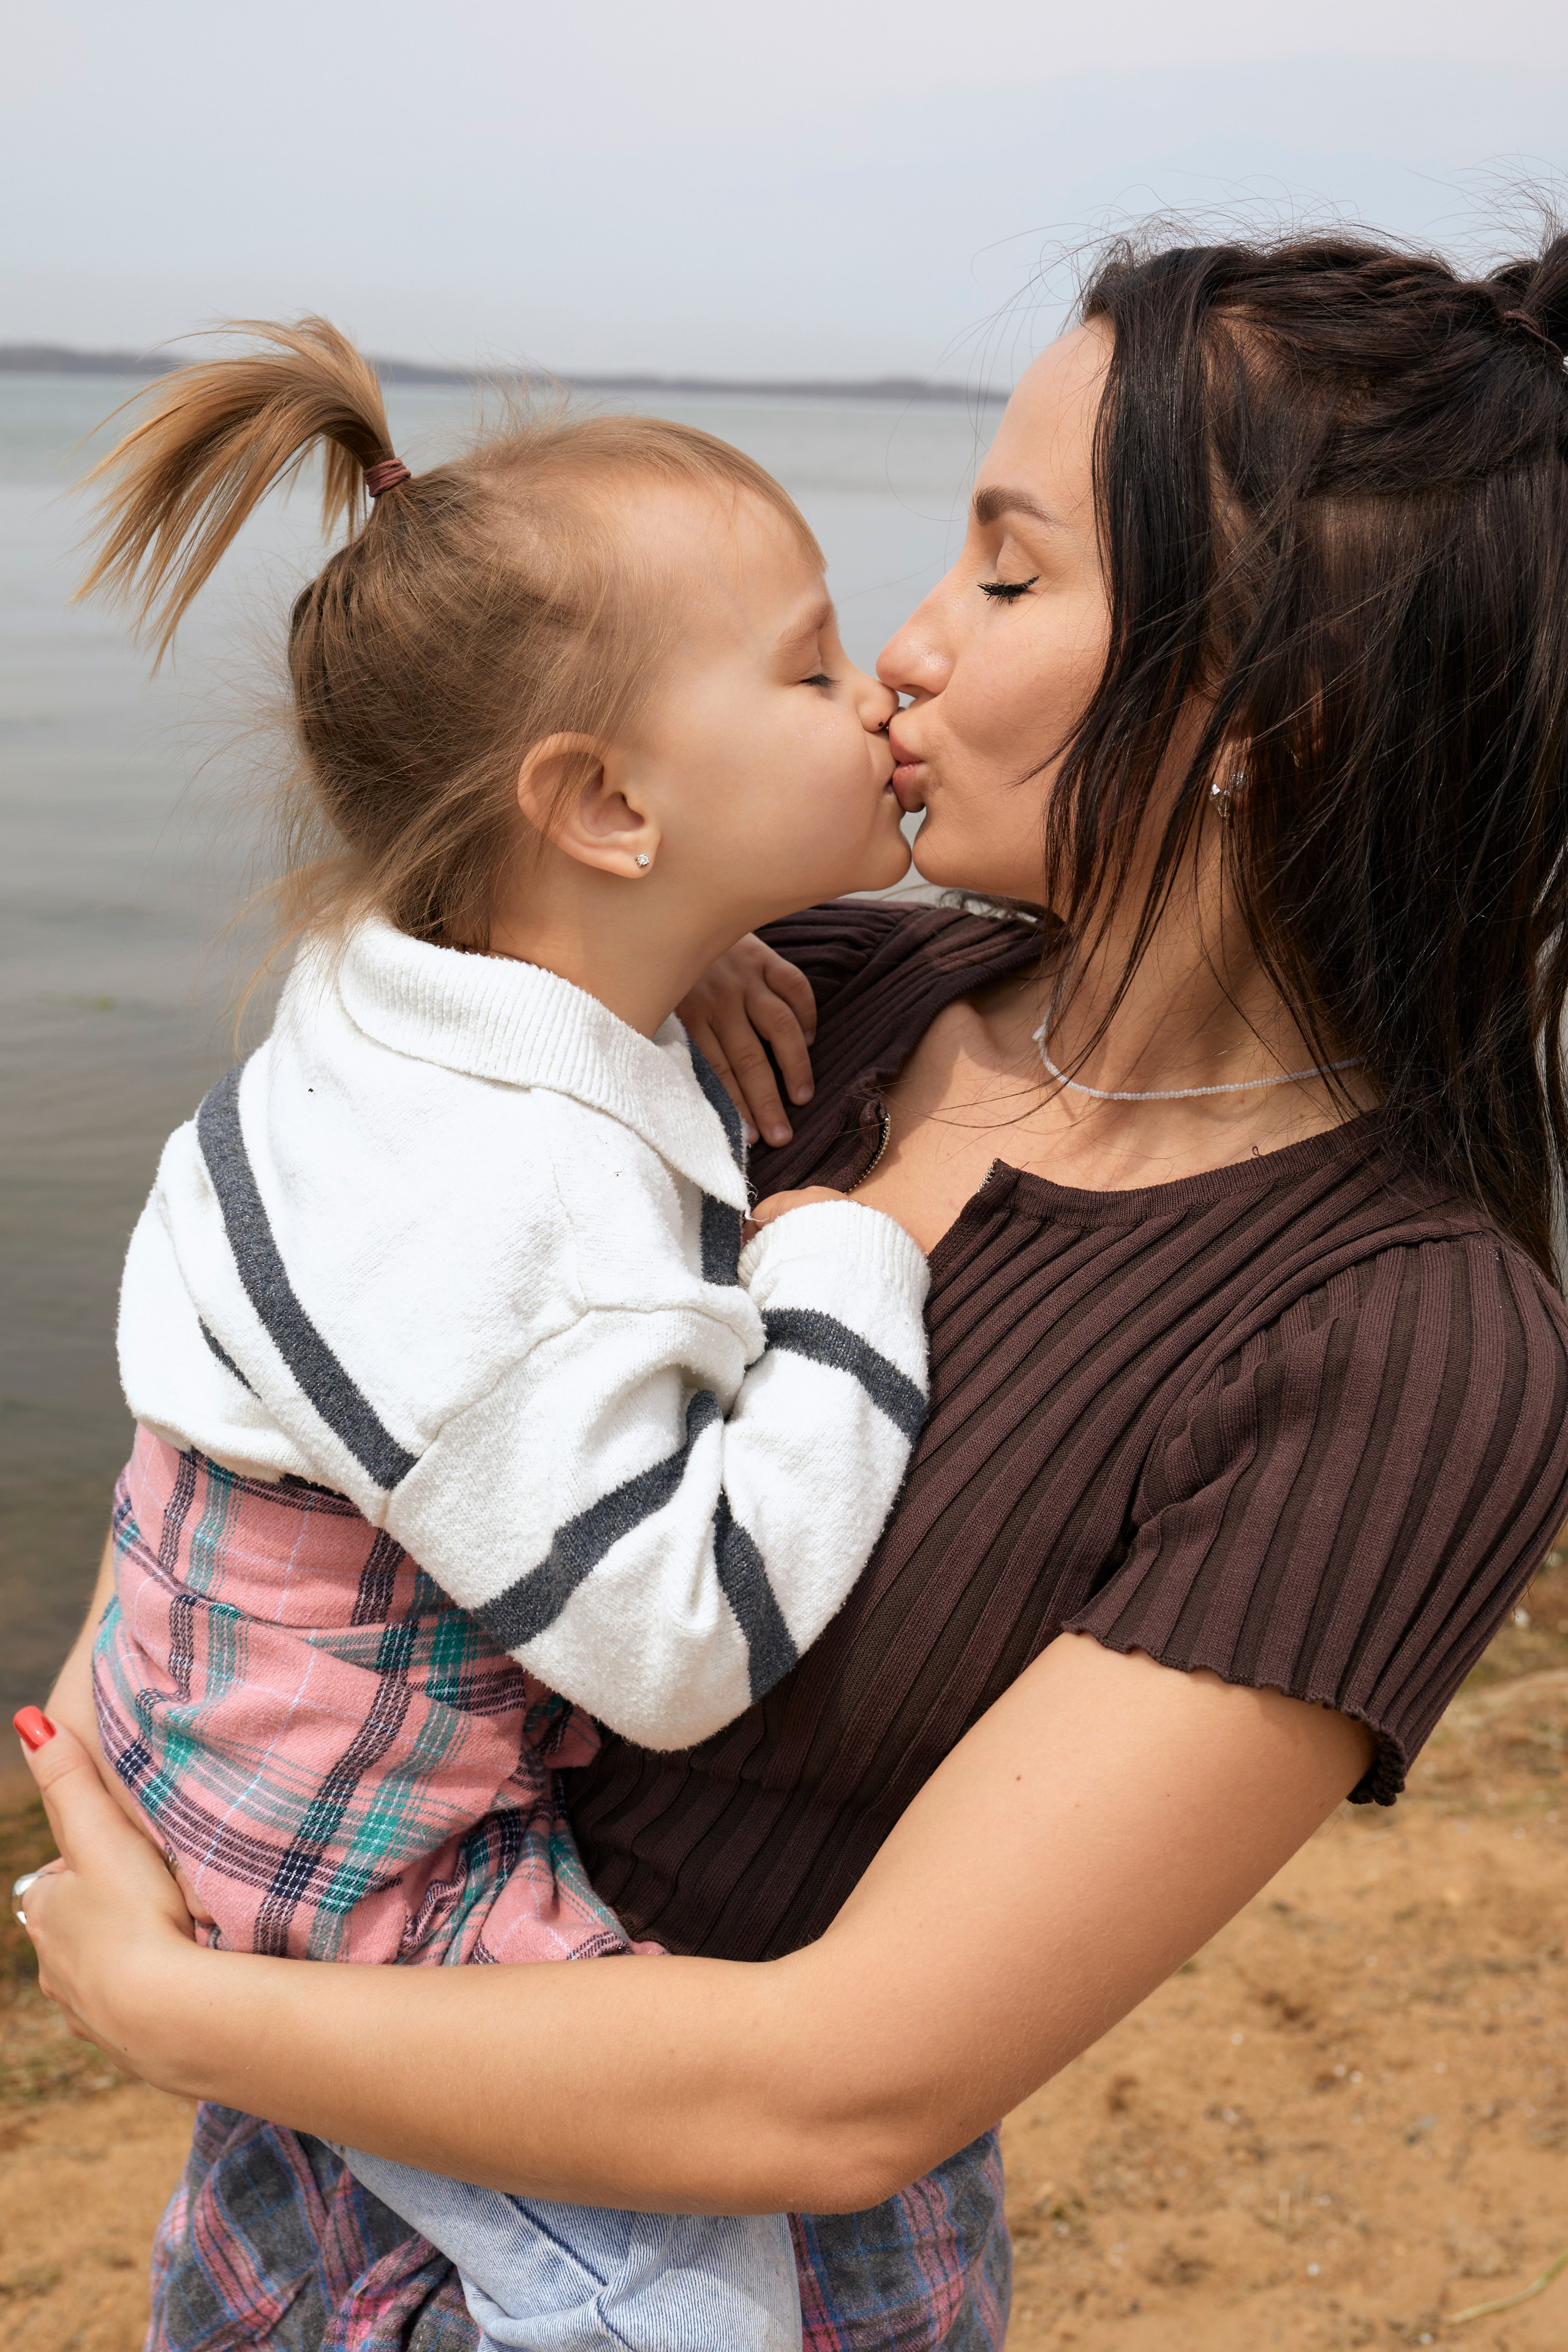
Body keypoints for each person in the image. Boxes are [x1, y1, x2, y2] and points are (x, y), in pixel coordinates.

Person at [18, 223, 1568, 2352]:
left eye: (1009, 576)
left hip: (702, 2272)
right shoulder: (776, 1002)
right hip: (295, 2210)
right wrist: (143, 1785)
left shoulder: (1401, 1344)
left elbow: (850, 2084)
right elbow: (298, 1329)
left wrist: (177, 2003)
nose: (908, 657)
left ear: (1269, 717)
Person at [51, 317, 937, 2352]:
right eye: (808, 669)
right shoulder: (487, 1196)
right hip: (349, 1836)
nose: (879, 679)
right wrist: (847, 1275)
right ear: (606, 805)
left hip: (218, 1697)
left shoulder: (453, 996)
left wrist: (676, 951)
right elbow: (680, 1643)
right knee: (684, 2294)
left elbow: (546, 1002)